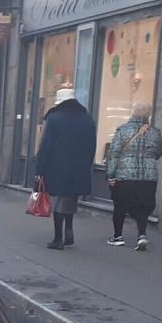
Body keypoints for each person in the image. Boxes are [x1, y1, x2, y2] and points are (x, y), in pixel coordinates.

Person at [34, 87, 97, 250]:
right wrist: (86, 164)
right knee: (70, 200)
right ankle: (69, 231)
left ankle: (58, 238)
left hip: (57, 167)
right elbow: (92, 146)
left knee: (58, 202)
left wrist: (39, 170)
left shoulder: (54, 119)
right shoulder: (87, 119)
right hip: (79, 167)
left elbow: (45, 146)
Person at [105, 102, 162, 251]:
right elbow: (159, 152)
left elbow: (114, 154)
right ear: (148, 115)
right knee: (143, 207)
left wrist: (110, 175)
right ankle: (141, 235)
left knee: (120, 205)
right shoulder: (155, 132)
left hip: (125, 176)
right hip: (148, 177)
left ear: (133, 113)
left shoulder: (122, 130)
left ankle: (118, 237)